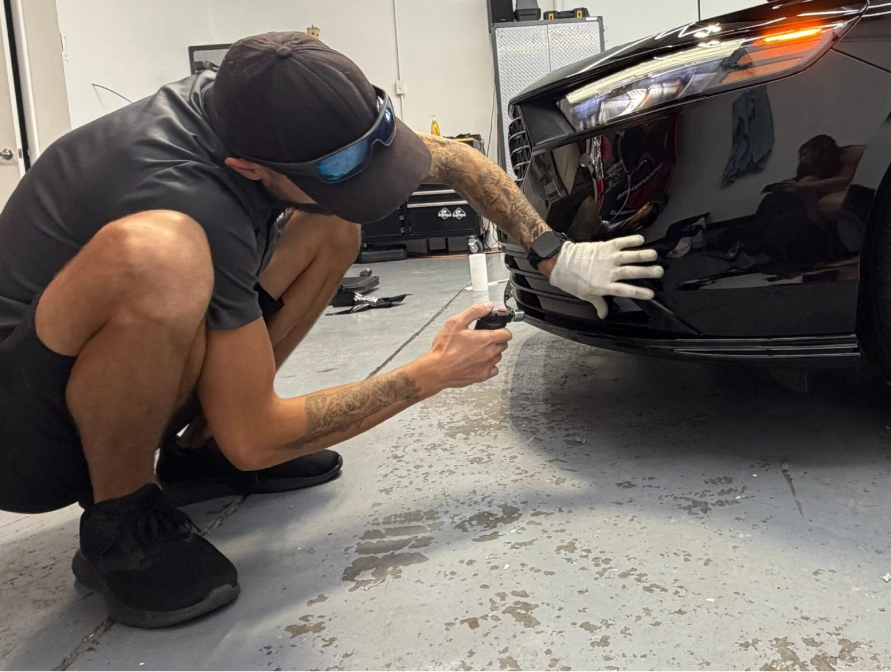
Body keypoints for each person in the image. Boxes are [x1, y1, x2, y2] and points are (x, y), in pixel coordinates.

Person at [0, 32, 663, 628]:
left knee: (331, 224)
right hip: (29, 438)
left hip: (112, 362)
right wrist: (432, 372)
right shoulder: (188, 194)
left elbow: (457, 162)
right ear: (249, 169)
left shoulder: (271, 110)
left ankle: (203, 451)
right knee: (160, 254)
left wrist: (554, 253)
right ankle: (121, 516)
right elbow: (260, 436)